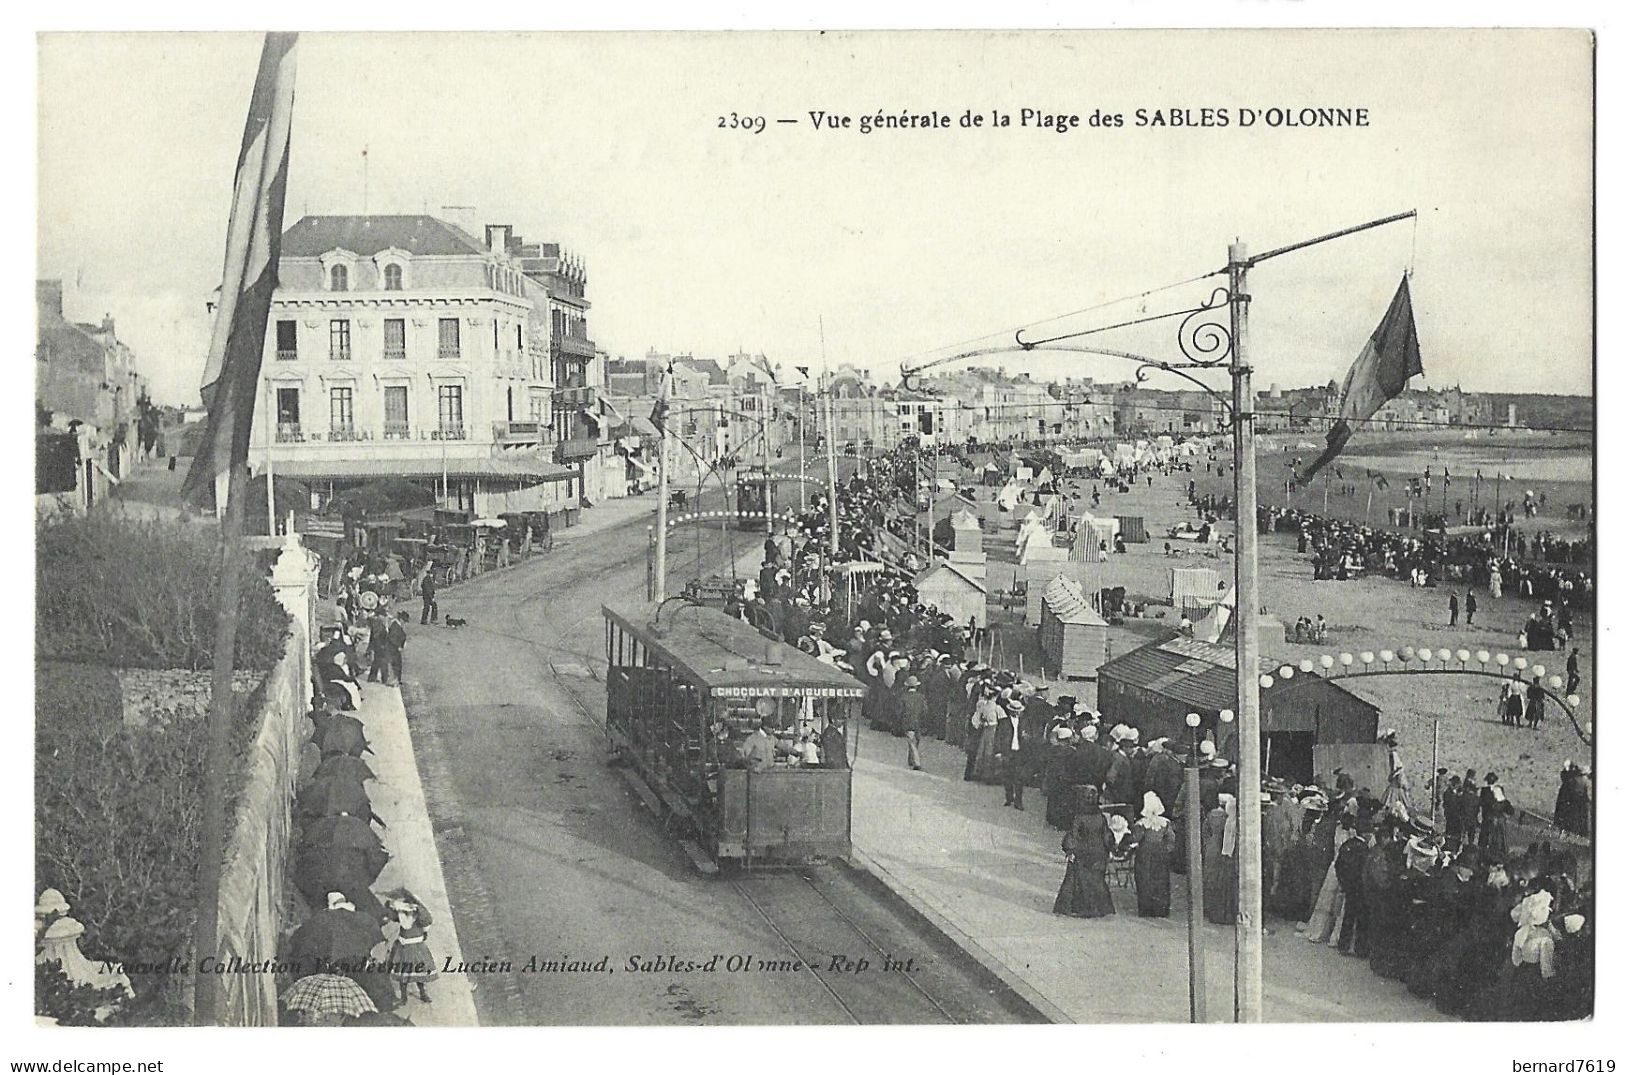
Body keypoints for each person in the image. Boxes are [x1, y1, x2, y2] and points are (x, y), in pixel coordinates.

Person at [1054, 787, 1115, 918]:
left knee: (1076, 879)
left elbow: (1073, 835)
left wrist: (1069, 849)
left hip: (1083, 852)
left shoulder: (1079, 817)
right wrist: (1110, 848)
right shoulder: (1101, 817)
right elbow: (1106, 835)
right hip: (1099, 852)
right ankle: (1099, 908)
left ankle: (1077, 907)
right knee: (1097, 880)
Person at [387, 894, 438, 1006]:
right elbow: (391, 916)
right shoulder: (401, 913)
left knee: (419, 972)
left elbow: (428, 920)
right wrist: (392, 905)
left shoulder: (420, 915)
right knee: (403, 973)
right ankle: (403, 997)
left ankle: (423, 993)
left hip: (416, 946)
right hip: (403, 946)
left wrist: (419, 909)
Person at [1334, 821, 1374, 957]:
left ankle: (1343, 945)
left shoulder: (1347, 845)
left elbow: (1338, 865)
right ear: (1366, 834)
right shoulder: (1365, 850)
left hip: (1349, 887)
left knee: (1348, 916)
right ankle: (1360, 949)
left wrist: (1343, 883)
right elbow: (1366, 871)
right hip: (1361, 889)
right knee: (1362, 919)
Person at [1133, 792, 1174, 917]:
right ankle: (1161, 909)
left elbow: (1136, 838)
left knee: (1145, 879)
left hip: (1145, 853)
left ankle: (1146, 909)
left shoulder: (1141, 823)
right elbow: (1171, 838)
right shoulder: (1165, 822)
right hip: (1161, 853)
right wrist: (1166, 849)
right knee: (1161, 879)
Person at [1204, 793, 1239, 925]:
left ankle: (1210, 907)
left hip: (1213, 847)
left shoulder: (1212, 815)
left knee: (1212, 877)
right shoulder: (1230, 820)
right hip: (1225, 852)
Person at [995, 698, 1027, 809]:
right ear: (1010, 711)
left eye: (1018, 711)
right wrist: (998, 752)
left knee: (1019, 778)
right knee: (1007, 776)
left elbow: (1027, 738)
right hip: (1007, 752)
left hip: (1019, 752)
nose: (1016, 713)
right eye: (1014, 711)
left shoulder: (1024, 723)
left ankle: (1018, 801)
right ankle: (1009, 798)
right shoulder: (1003, 722)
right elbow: (998, 737)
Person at [900, 676, 926, 771]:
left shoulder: (904, 697)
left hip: (908, 722)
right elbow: (925, 710)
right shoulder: (921, 697)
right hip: (918, 722)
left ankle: (916, 762)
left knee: (911, 742)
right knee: (916, 741)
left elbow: (900, 711)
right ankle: (911, 759)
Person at [387, 612, 408, 685]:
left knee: (398, 664)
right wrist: (398, 646)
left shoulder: (397, 625)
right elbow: (392, 638)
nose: (404, 623)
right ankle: (395, 680)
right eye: (404, 621)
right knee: (396, 664)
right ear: (401, 619)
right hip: (393, 649)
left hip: (395, 649)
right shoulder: (395, 626)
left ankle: (397, 679)